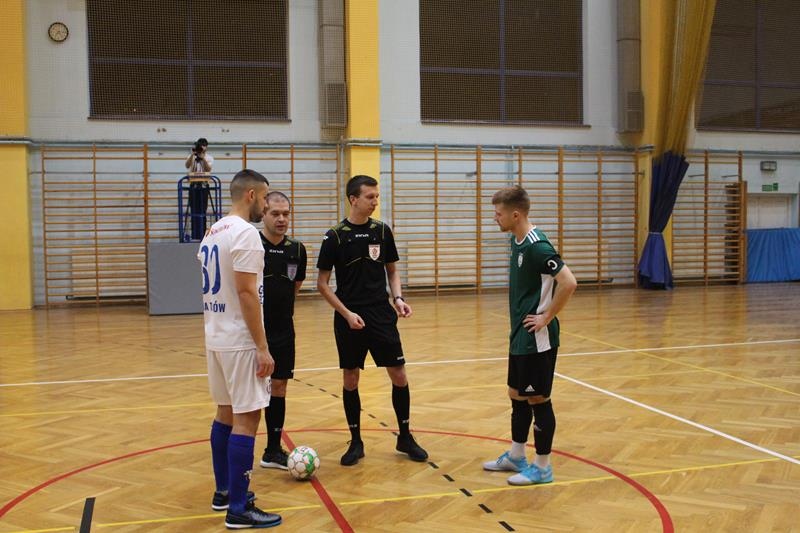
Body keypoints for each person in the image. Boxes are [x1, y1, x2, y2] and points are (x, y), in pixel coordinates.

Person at [316, 174, 428, 466]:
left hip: (381, 314)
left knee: (399, 374)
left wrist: (398, 298)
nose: (375, 201)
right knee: (351, 378)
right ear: (353, 199)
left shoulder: (382, 231)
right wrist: (346, 313)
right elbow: (322, 284)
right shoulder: (334, 236)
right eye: (370, 197)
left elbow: (392, 271)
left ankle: (405, 437)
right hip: (349, 316)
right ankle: (356, 442)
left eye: (377, 196)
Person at [198, 169, 282, 529]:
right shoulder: (246, 233)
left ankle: (224, 493)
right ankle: (238, 508)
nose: (266, 205)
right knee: (248, 418)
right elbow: (247, 293)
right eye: (264, 198)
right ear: (251, 195)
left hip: (216, 336)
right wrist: (262, 347)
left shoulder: (213, 231)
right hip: (240, 339)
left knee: (225, 413)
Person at [483, 185, 577, 486]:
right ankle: (516, 455)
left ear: (515, 214)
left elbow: (569, 282)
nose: (494, 218)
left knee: (538, 398)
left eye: (498, 214)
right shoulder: (516, 239)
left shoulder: (538, 246)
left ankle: (543, 467)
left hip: (538, 338)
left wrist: (547, 316)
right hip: (520, 335)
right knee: (516, 394)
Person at [258, 191, 307, 470]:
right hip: (254, 332)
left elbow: (294, 287)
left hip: (284, 330)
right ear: (263, 214)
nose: (281, 219)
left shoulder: (297, 250)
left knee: (279, 386)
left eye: (286, 214)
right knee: (250, 391)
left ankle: (272, 450)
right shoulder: (252, 244)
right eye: (275, 213)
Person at [186, 138, 214, 240]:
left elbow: (208, 169)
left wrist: (203, 159)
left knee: (202, 210)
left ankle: (202, 235)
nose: (202, 148)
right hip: (193, 185)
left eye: (203, 146)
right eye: (200, 146)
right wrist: (192, 155)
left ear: (206, 147)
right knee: (193, 210)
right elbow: (187, 165)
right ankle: (194, 235)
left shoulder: (209, 157)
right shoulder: (193, 156)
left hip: (203, 186)